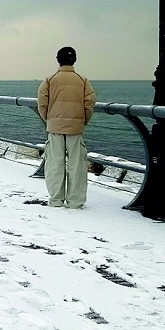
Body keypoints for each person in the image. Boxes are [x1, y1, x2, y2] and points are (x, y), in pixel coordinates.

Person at [37, 46, 96, 209]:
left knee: (55, 164)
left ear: (58, 60)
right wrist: (83, 120)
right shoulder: (82, 80)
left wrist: (50, 120)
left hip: (55, 127)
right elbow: (89, 103)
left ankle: (56, 199)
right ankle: (75, 201)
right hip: (76, 128)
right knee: (77, 165)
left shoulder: (49, 80)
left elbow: (42, 104)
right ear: (74, 60)